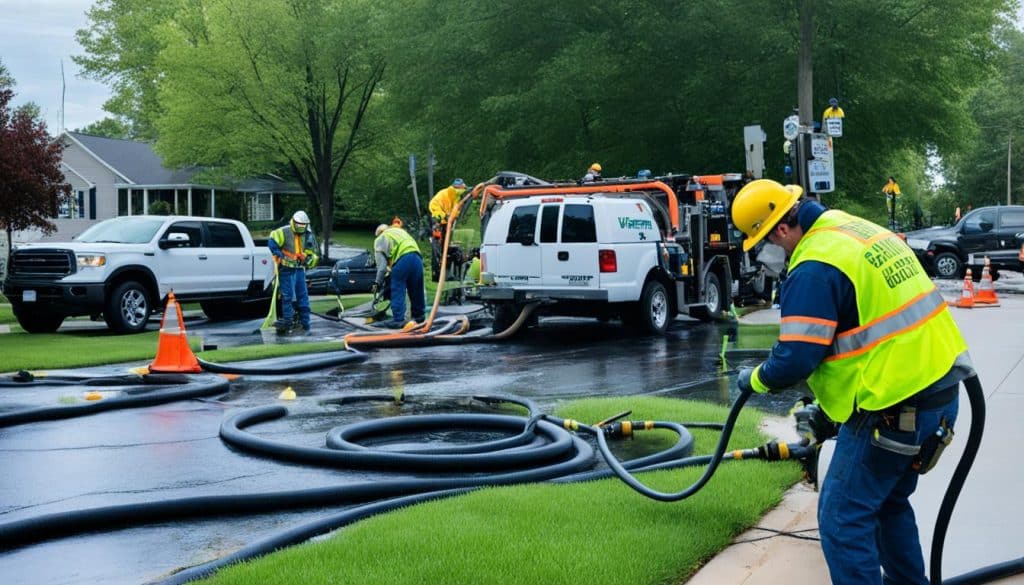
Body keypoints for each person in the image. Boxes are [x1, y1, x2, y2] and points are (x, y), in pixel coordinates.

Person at [731, 179, 973, 585]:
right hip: (939, 392)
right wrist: (830, 412)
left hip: (897, 406)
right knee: (888, 504)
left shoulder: (813, 267)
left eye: (762, 242)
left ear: (780, 229)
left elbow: (795, 358)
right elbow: (858, 336)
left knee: (842, 519)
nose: (767, 254)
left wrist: (752, 379)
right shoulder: (851, 229)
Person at [268, 211, 319, 334]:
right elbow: (272, 241)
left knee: (303, 297)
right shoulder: (284, 231)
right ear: (294, 222)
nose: (301, 227)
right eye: (299, 224)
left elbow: (313, 254)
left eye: (303, 225)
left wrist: (307, 259)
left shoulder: (308, 235)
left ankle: (305, 323)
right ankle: (288, 322)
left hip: (300, 269)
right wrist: (278, 253)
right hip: (286, 269)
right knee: (288, 297)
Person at [373, 222, 426, 329]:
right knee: (416, 288)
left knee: (397, 287)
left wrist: (377, 283)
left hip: (403, 259)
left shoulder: (380, 239)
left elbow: (382, 268)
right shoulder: (400, 232)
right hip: (417, 258)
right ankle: (419, 317)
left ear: (379, 233)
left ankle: (398, 319)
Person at [428, 178, 468, 281]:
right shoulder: (444, 193)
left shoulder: (456, 196)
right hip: (438, 220)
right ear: (457, 187)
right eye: (462, 188)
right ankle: (438, 269)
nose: (463, 190)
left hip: (446, 222)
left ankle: (445, 266)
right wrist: (443, 216)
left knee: (446, 242)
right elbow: (433, 205)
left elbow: (455, 209)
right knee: (438, 244)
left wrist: (454, 216)